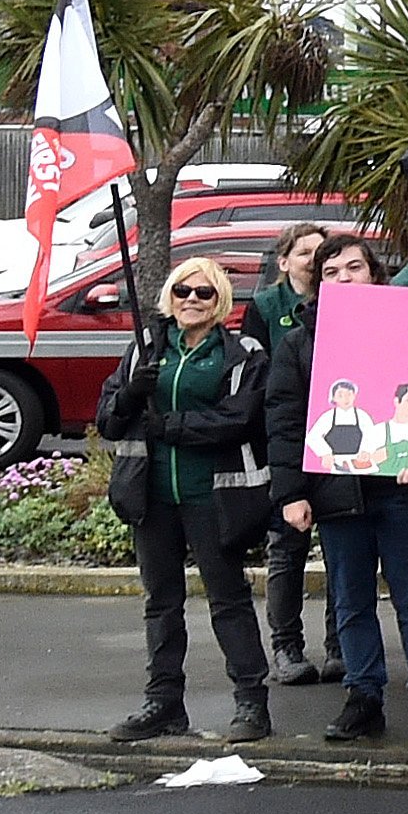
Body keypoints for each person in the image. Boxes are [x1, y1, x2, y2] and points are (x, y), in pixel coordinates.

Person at [261, 235, 408, 745]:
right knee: (350, 600)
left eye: (355, 267)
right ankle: (364, 695)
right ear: (318, 282)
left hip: (400, 488)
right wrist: (291, 493)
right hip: (336, 491)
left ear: (375, 273)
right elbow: (284, 421)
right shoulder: (300, 341)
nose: (345, 278)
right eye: (333, 271)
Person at [101, 255, 280, 745]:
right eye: (183, 291)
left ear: (219, 299)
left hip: (215, 495)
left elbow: (241, 417)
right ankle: (163, 702)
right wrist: (130, 397)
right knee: (161, 602)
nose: (192, 301)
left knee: (228, 600)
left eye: (203, 293)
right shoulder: (143, 350)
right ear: (170, 298)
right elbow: (108, 421)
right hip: (151, 495)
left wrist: (173, 427)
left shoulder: (242, 353)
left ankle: (251, 701)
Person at [241, 223, 338, 688]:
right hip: (289, 444)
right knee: (287, 550)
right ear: (284, 262)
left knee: (343, 552)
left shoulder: (347, 301)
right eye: (304, 253)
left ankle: (340, 646)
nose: (313, 260)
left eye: (322, 253)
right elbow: (257, 384)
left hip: (342, 446)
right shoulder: (264, 308)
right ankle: (286, 646)